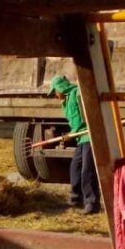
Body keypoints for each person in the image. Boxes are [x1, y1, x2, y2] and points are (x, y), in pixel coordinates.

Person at [47, 74, 100, 215]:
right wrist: (71, 134)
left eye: (55, 91)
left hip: (89, 136)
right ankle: (75, 199)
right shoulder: (65, 102)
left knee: (87, 170)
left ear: (61, 87)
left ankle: (92, 203)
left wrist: (73, 133)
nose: (55, 95)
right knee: (75, 167)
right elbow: (75, 122)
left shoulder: (77, 94)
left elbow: (86, 116)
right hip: (80, 138)